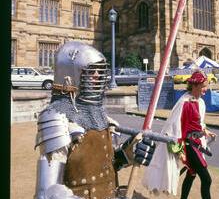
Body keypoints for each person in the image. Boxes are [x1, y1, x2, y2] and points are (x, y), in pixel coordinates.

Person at [34, 41, 156, 199]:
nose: (98, 76)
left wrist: (129, 154)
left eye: (99, 71)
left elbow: (105, 166)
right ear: (71, 76)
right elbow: (48, 193)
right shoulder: (56, 119)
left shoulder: (100, 116)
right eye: (92, 71)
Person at [142, 70, 216, 199]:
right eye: (204, 86)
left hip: (197, 144)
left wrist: (205, 130)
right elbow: (173, 126)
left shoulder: (200, 102)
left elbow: (199, 123)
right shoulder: (184, 103)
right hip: (189, 146)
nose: (206, 89)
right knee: (206, 179)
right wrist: (178, 148)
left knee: (191, 174)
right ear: (195, 86)